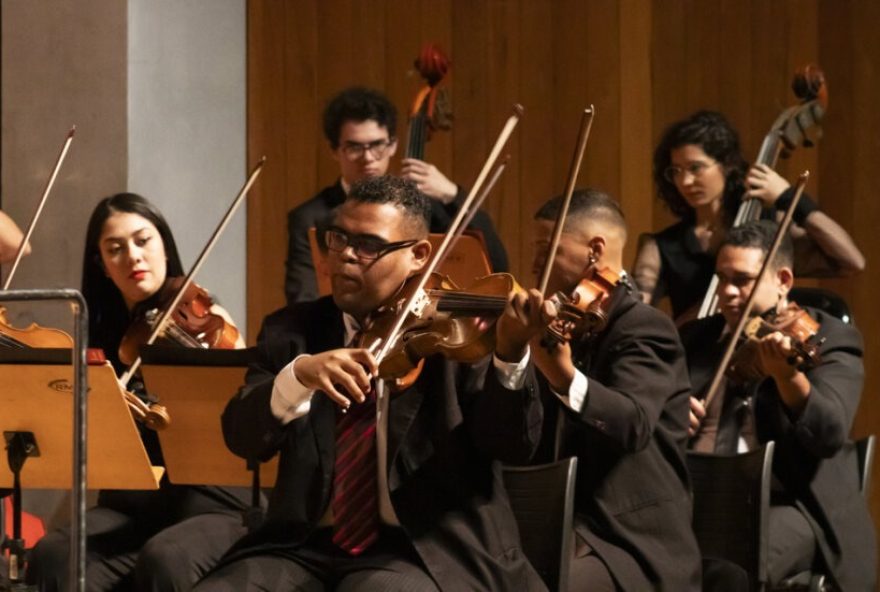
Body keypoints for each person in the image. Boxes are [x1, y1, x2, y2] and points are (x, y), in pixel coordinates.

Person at [195, 176, 545, 591]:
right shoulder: (293, 331)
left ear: (419, 255)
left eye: (368, 246)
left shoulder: (457, 339)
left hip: (425, 550)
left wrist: (510, 354)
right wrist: (298, 377)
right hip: (306, 544)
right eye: (337, 239)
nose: (344, 257)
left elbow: (512, 446)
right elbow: (242, 438)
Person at [26, 193, 253, 592]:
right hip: (133, 504)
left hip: (212, 502)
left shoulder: (206, 319)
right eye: (116, 248)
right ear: (102, 265)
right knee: (53, 554)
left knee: (167, 557)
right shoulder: (100, 337)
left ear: (164, 244)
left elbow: (245, 400)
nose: (133, 256)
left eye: (143, 240)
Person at [514, 189, 701, 590]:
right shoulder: (563, 323)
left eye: (547, 252)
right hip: (553, 525)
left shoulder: (644, 326)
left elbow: (632, 423)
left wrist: (565, 377)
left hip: (625, 540)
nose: (534, 267)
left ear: (595, 251)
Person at [683, 220, 876, 590]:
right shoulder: (695, 338)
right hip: (699, 495)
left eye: (742, 280)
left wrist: (789, 378)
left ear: (783, 281)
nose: (727, 292)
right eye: (721, 279)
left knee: (724, 570)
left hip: (789, 502)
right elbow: (654, 417)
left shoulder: (830, 339)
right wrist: (671, 415)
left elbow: (829, 432)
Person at [633, 110, 864, 323]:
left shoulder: (769, 230)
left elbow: (851, 261)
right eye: (676, 171)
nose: (685, 181)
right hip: (696, 364)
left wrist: (790, 197)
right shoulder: (662, 247)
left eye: (695, 168)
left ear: (728, 164)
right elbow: (636, 318)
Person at [285, 86, 509, 304]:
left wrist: (453, 195)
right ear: (335, 150)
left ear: (393, 145)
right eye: (354, 147)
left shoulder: (421, 210)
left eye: (377, 145)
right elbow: (303, 297)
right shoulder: (310, 217)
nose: (368, 158)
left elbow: (496, 266)